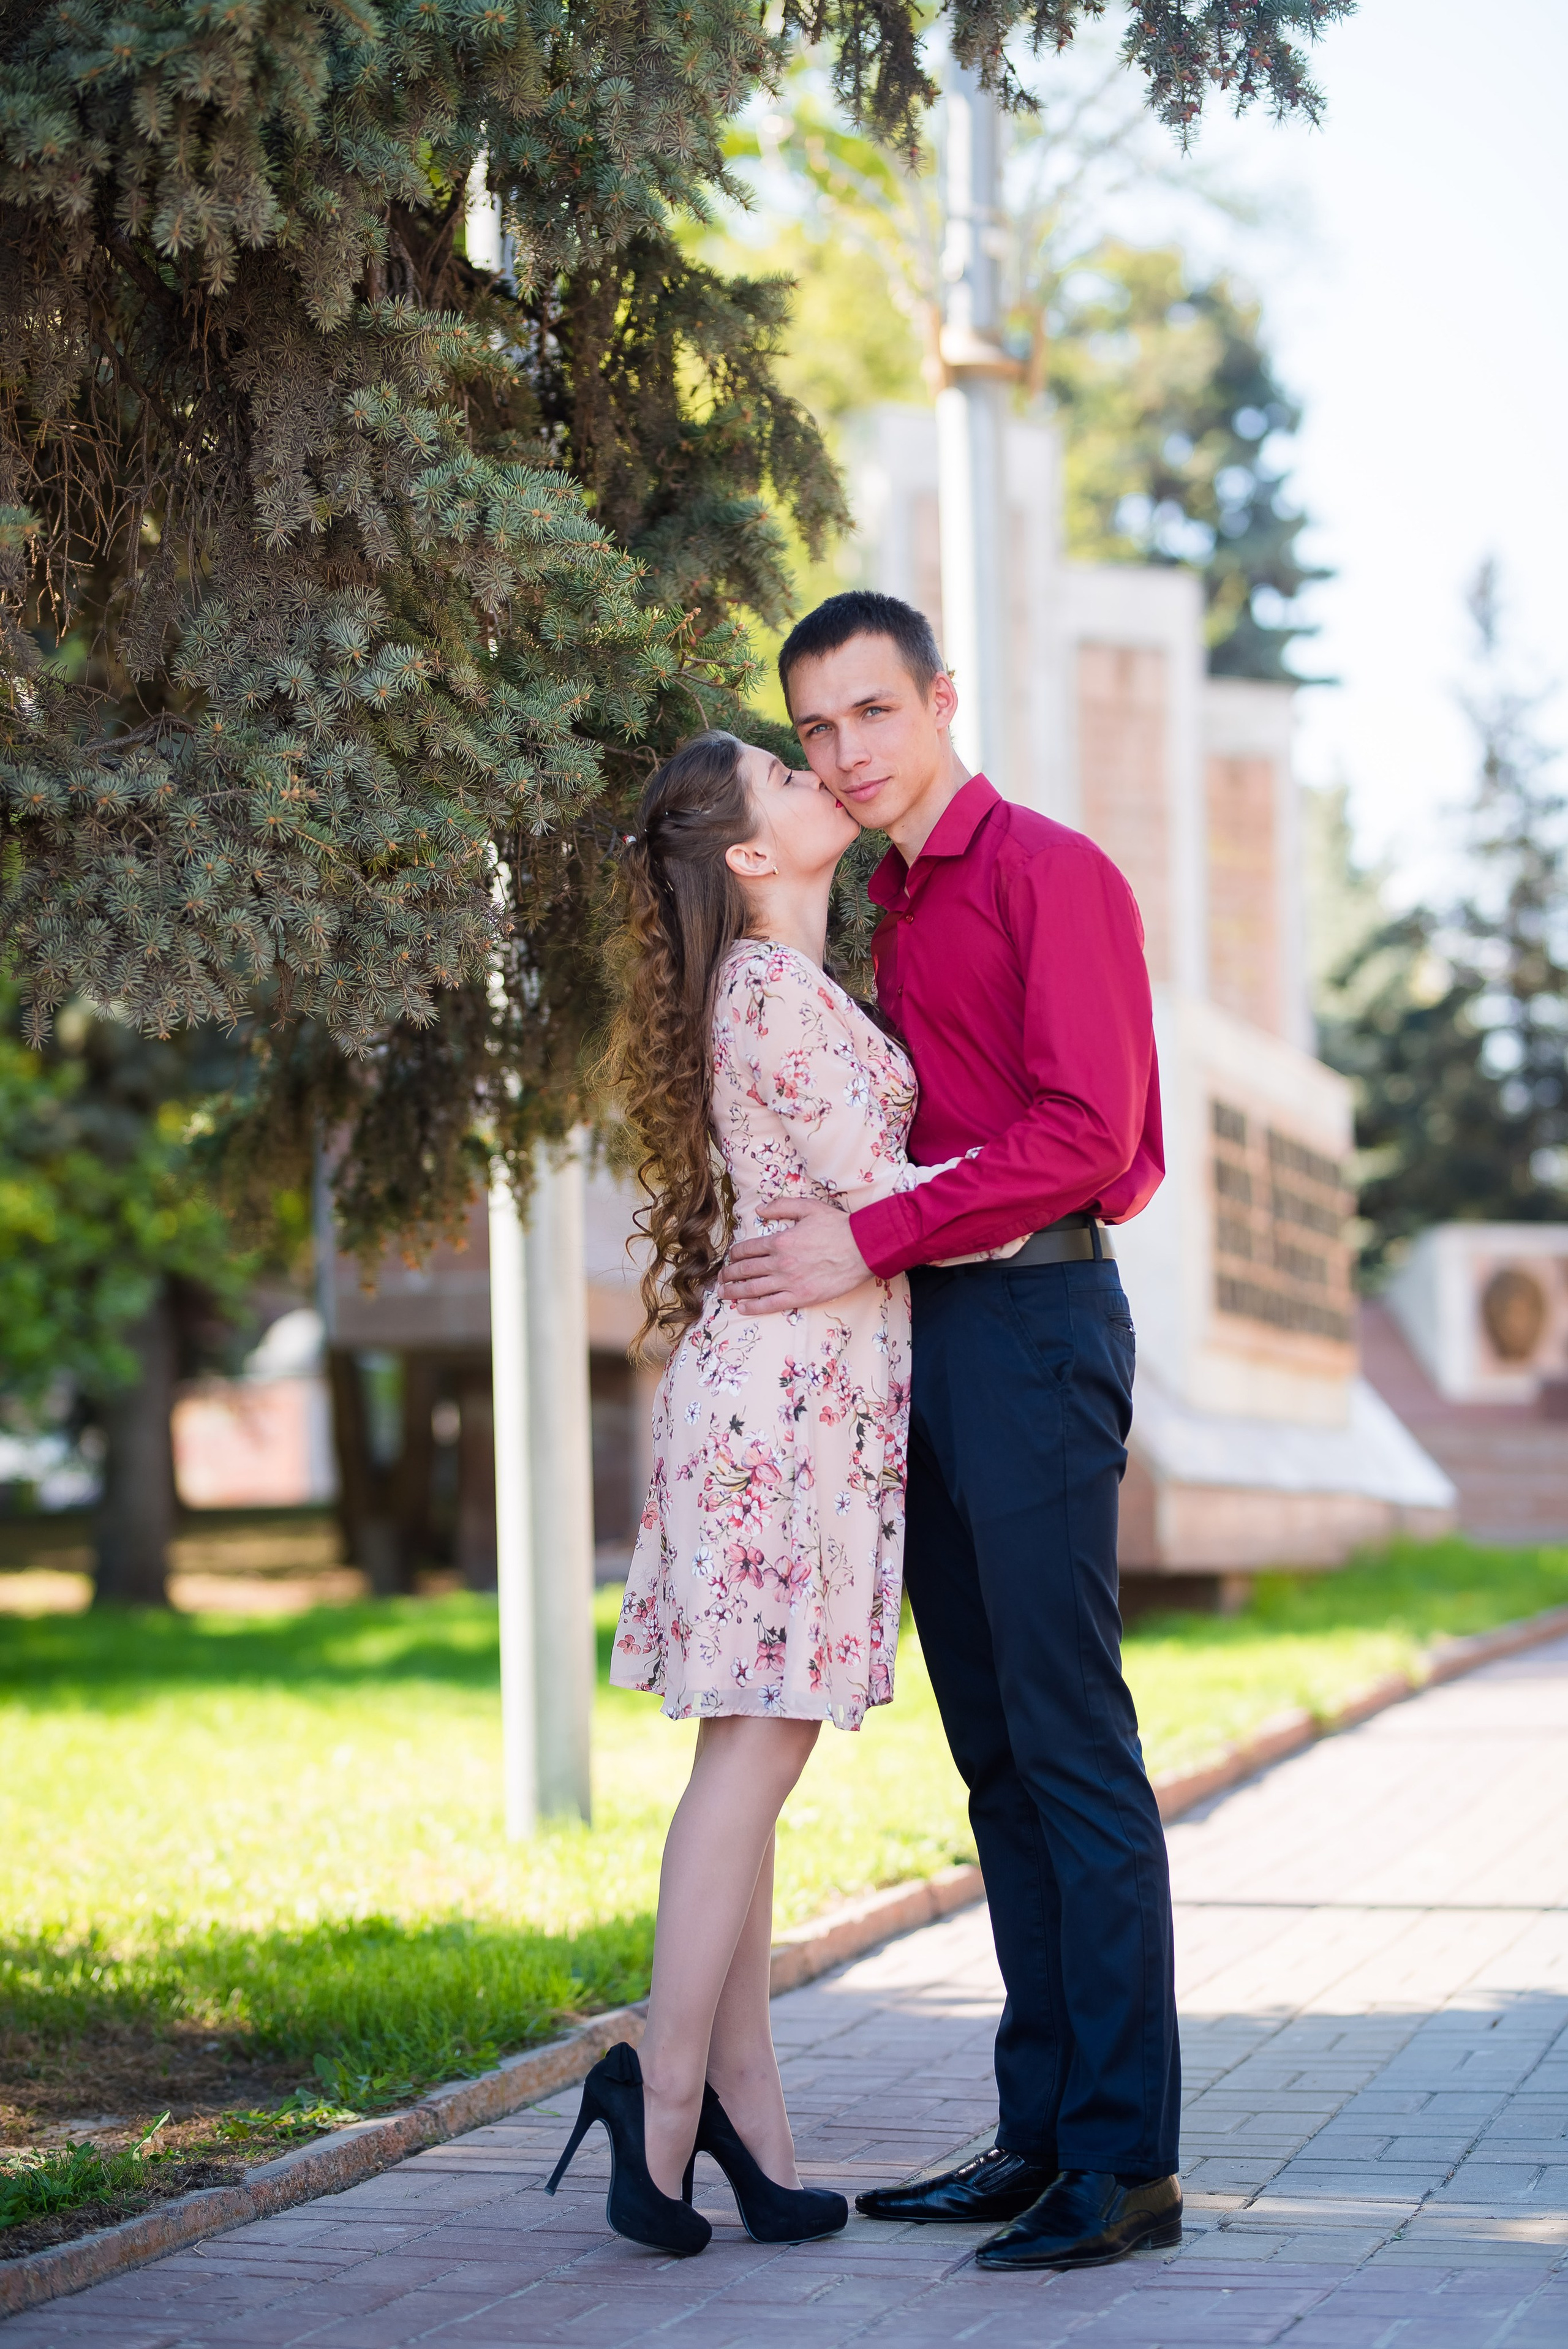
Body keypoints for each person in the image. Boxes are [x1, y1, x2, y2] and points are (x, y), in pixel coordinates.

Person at [718, 590, 1183, 2274]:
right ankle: (1040, 2129)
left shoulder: (1057, 873)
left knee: (1072, 1746)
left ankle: (1127, 2163)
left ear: (940, 700)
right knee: (994, 1758)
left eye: (871, 713)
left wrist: (863, 1238)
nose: (843, 753)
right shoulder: (883, 909)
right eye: (816, 727)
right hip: (924, 1347)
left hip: (1040, 1331)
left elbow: (1089, 1134)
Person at [547, 728, 975, 2256]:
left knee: (747, 1757)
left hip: (792, 1397)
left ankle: (742, 2114)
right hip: (781, 1410)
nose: (823, 781)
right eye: (791, 780)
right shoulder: (773, 996)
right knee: (755, 1756)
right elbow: (896, 1205)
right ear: (747, 852)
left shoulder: (785, 989)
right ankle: (657, 2109)